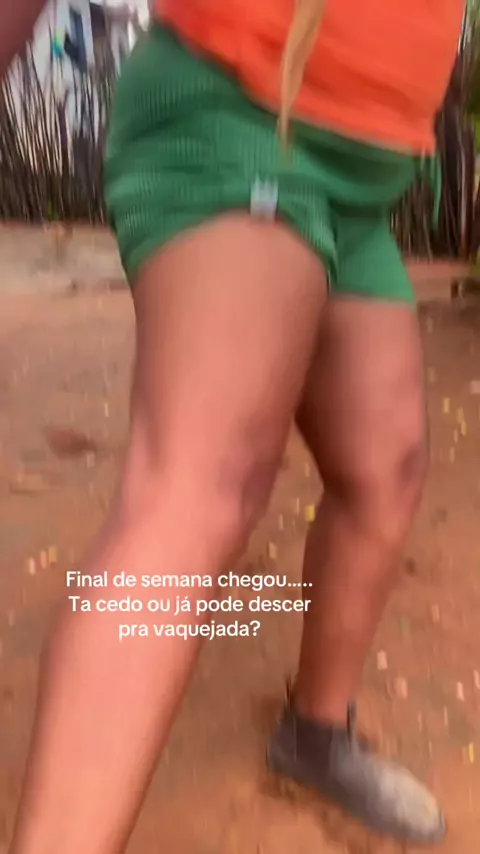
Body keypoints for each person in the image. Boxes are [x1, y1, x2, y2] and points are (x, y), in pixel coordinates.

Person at [3, 0, 465, 851]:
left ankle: (314, 737)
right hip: (239, 123)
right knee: (199, 490)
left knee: (385, 467)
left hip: (363, 179)